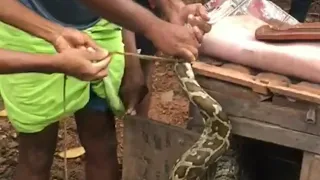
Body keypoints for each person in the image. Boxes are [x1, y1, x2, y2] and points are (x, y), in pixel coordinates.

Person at [0, 0, 210, 180]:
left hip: (101, 25)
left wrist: (171, 7)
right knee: (36, 153)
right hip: (24, 33)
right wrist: (153, 26)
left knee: (102, 140)